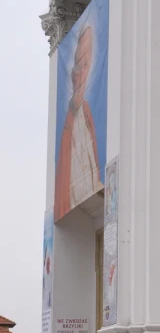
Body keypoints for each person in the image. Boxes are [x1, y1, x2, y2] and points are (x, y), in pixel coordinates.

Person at [54, 25, 102, 221]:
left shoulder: (88, 113)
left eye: (86, 65)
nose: (80, 75)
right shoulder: (67, 122)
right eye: (77, 65)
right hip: (77, 212)